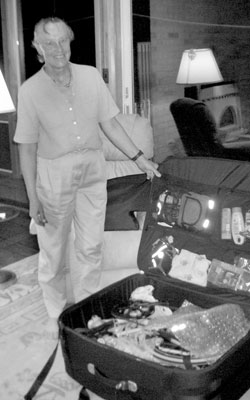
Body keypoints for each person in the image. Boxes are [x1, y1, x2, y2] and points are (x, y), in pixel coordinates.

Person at [14, 17, 161, 327]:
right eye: (49, 43)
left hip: (93, 171)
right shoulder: (30, 91)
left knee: (91, 247)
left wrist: (139, 158)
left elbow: (109, 124)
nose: (57, 49)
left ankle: (86, 308)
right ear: (38, 48)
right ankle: (58, 316)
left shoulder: (91, 76)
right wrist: (33, 199)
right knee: (53, 251)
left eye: (62, 41)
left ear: (70, 42)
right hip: (54, 175)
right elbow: (26, 148)